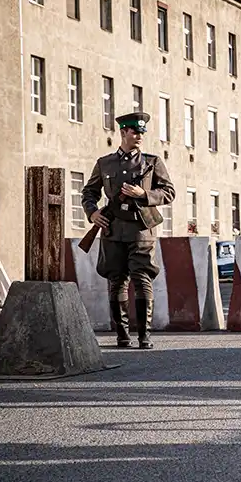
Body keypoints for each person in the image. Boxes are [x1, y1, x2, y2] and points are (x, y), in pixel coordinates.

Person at [82, 112, 176, 349]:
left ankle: (144, 336)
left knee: (142, 279)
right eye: (135, 132)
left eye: (142, 132)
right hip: (112, 230)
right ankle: (122, 336)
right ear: (123, 132)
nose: (139, 136)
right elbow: (89, 192)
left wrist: (144, 194)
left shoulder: (152, 163)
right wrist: (92, 213)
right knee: (116, 281)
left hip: (141, 231)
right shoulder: (104, 163)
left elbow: (169, 192)